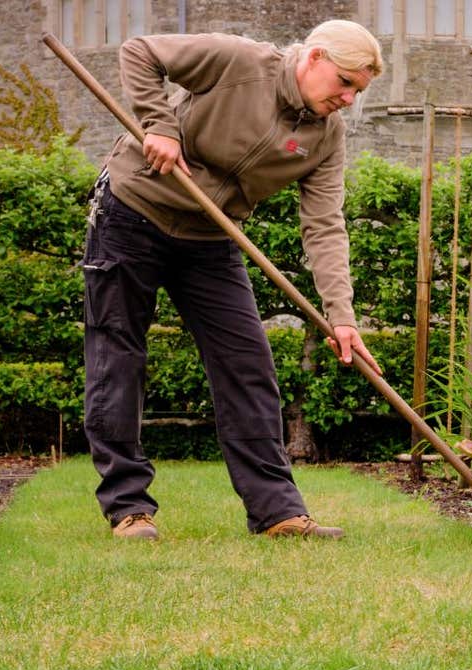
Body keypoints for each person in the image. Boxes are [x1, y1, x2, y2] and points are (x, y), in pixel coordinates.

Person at [82, 20, 384, 540]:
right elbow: (140, 52)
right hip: (132, 213)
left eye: (358, 90)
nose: (349, 99)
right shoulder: (240, 62)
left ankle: (276, 512)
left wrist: (342, 316)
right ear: (313, 58)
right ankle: (129, 508)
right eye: (345, 82)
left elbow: (325, 225)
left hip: (211, 239)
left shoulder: (324, 137)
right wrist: (159, 124)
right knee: (118, 356)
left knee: (248, 365)